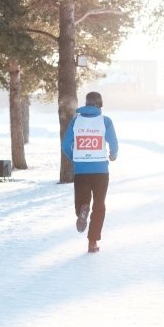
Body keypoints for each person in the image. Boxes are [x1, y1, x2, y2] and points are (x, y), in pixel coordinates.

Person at [61, 91, 118, 253]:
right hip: (101, 171)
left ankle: (82, 210)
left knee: (82, 202)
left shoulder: (75, 122)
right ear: (100, 105)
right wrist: (113, 155)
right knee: (99, 206)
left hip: (81, 171)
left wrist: (75, 158)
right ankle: (92, 242)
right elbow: (114, 144)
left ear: (86, 104)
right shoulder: (105, 121)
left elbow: (65, 146)